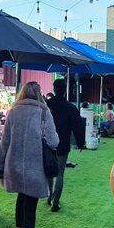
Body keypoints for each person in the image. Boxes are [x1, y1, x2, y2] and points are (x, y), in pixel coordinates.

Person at [0, 81, 58, 228]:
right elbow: (53, 141)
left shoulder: (13, 111)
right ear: (39, 93)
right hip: (35, 167)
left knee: (20, 198)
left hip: (13, 165)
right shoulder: (44, 112)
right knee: (30, 206)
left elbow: (4, 142)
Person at [45, 79, 85, 212]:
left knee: (49, 172)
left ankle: (49, 196)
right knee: (60, 173)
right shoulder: (70, 108)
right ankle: (55, 203)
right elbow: (78, 127)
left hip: (48, 143)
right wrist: (80, 142)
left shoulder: (47, 105)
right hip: (63, 143)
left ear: (54, 89)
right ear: (65, 90)